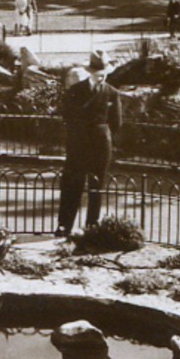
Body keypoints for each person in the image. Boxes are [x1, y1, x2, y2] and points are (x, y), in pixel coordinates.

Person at [56, 54, 124, 237]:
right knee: (72, 186)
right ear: (90, 72)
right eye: (96, 73)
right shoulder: (75, 91)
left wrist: (102, 134)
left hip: (100, 147)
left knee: (96, 187)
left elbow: (116, 123)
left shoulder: (112, 93)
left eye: (103, 73)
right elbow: (67, 116)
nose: (100, 76)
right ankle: (64, 226)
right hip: (78, 145)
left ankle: (91, 228)